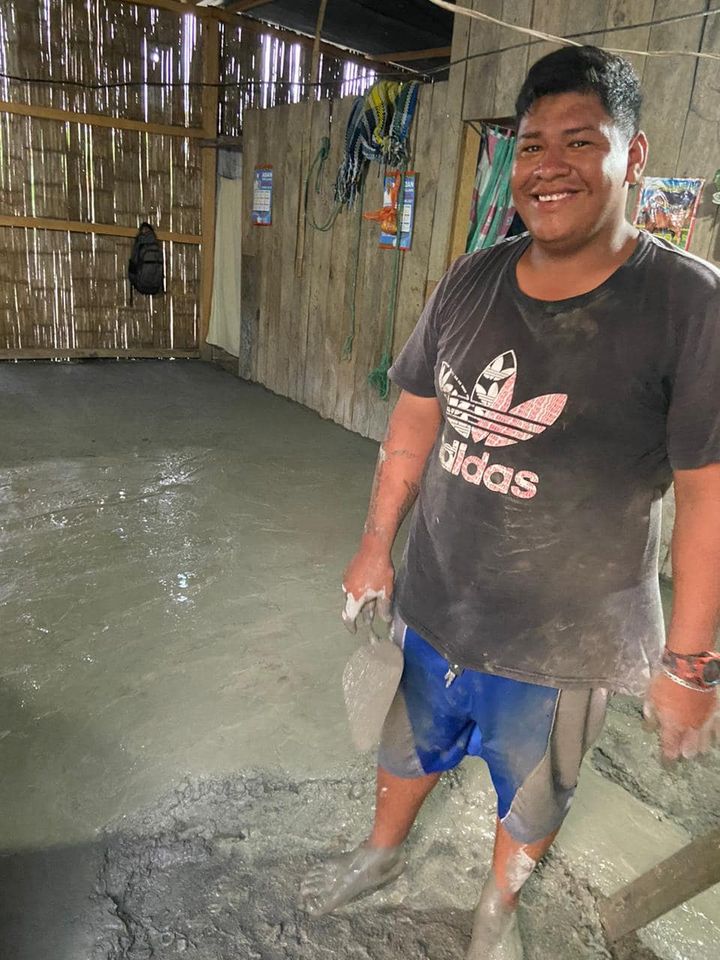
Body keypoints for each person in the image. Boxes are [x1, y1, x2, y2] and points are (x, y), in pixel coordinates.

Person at [300, 45, 720, 959]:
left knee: (533, 793)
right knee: (406, 746)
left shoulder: (689, 307)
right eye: (532, 146)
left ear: (634, 155)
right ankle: (381, 851)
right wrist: (375, 545)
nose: (549, 166)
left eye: (581, 141)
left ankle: (498, 905)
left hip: (567, 642)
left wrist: (690, 666)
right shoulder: (471, 279)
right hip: (435, 603)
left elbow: (708, 500)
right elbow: (414, 421)